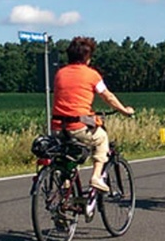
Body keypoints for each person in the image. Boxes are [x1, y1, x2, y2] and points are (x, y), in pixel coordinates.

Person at [51, 36, 135, 193]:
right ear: (87, 57)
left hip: (57, 127)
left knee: (70, 153)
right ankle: (96, 177)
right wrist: (124, 110)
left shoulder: (60, 74)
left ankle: (65, 191)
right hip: (78, 126)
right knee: (101, 138)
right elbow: (107, 96)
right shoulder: (92, 75)